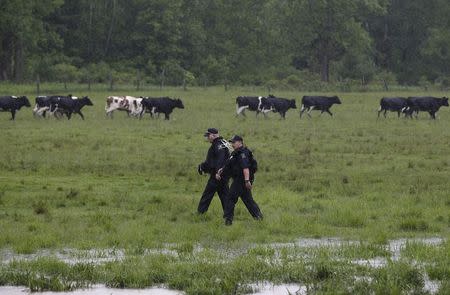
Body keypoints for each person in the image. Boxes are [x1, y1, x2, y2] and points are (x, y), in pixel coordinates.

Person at [216, 135, 263, 225]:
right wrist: (222, 170)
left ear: (240, 142)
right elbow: (231, 164)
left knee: (230, 198)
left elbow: (245, 168)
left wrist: (247, 181)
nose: (232, 144)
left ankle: (228, 220)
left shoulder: (242, 153)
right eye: (231, 142)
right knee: (248, 199)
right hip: (240, 180)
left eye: (234, 142)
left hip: (241, 180)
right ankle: (258, 217)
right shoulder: (236, 153)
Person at [197, 128, 230, 215]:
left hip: (217, 175)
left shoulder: (218, 145)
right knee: (225, 195)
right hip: (223, 174)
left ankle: (200, 213)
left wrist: (217, 172)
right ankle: (229, 214)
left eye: (208, 135)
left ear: (213, 135)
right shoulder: (222, 143)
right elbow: (212, 161)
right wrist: (203, 166)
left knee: (207, 194)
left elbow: (220, 160)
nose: (207, 138)